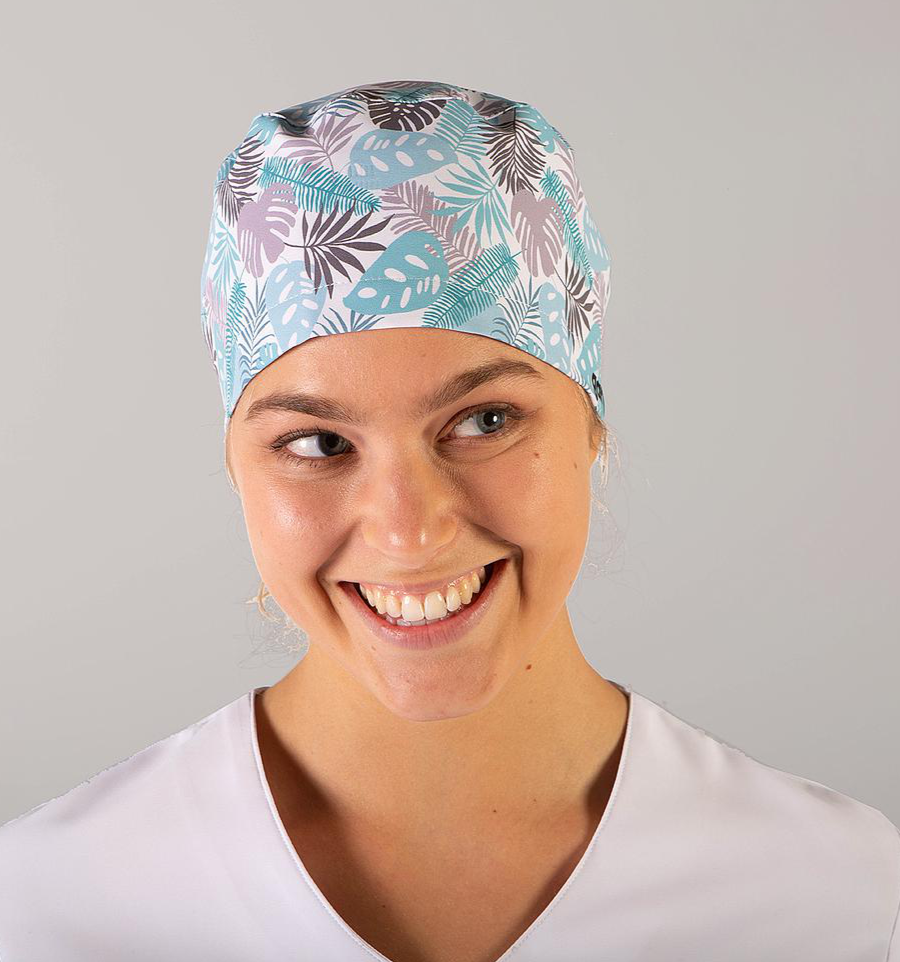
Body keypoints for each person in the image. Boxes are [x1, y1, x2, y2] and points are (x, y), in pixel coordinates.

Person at [0, 79, 897, 962]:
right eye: (317, 442)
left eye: (484, 421)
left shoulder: (839, 901)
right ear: (236, 464)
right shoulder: (51, 906)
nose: (408, 531)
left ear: (592, 425)